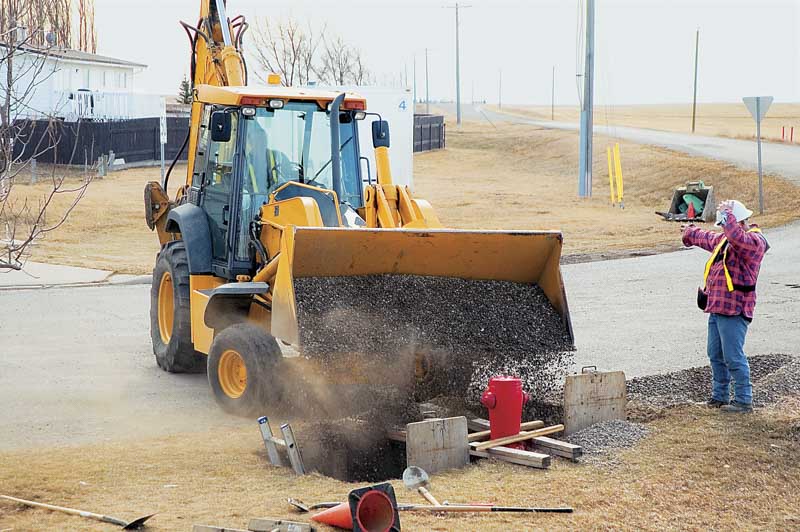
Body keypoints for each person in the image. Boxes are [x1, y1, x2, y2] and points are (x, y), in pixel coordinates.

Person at [681, 200, 769, 413]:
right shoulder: (726, 240)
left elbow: (737, 238)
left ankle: (743, 401)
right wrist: (689, 232)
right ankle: (719, 397)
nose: (722, 229)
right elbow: (708, 238)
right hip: (718, 307)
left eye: (725, 224)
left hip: (735, 310)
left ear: (738, 222)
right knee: (715, 354)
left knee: (733, 356)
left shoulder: (754, 243)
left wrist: (727, 214)